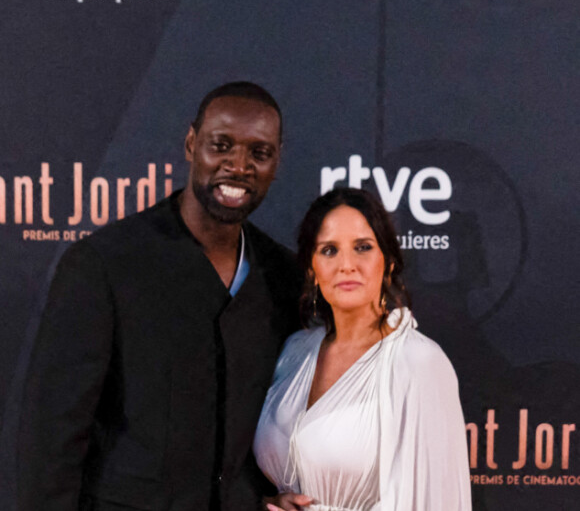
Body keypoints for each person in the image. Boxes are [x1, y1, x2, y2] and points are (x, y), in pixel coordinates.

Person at [17, 82, 302, 511]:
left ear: (277, 161)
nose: (238, 166)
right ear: (191, 144)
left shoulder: (283, 276)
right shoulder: (104, 264)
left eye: (259, 153)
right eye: (221, 145)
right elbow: (51, 437)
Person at [253, 188, 472, 511]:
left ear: (389, 263)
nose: (346, 265)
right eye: (329, 250)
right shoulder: (294, 351)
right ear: (311, 268)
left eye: (363, 248)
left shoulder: (419, 363)